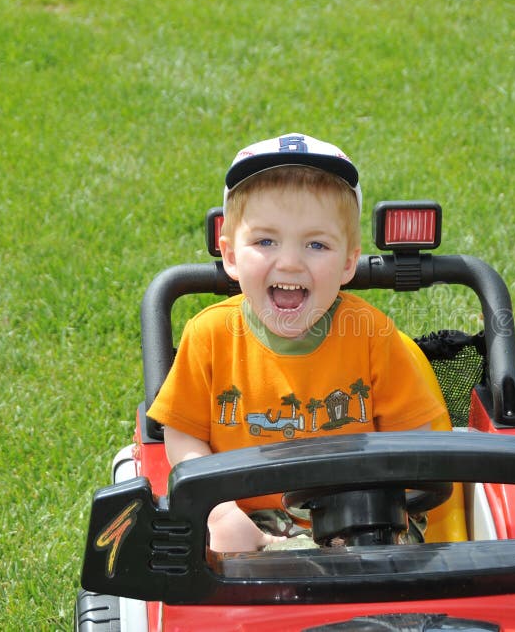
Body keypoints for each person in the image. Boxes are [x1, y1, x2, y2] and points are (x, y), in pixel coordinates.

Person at [148, 133, 448, 552]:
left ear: (348, 262)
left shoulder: (372, 336)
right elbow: (182, 435)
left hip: (361, 515)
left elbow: (417, 445)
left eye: (316, 244)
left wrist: (376, 504)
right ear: (231, 255)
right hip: (246, 519)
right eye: (266, 241)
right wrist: (220, 512)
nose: (289, 261)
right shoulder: (209, 336)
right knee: (208, 556)